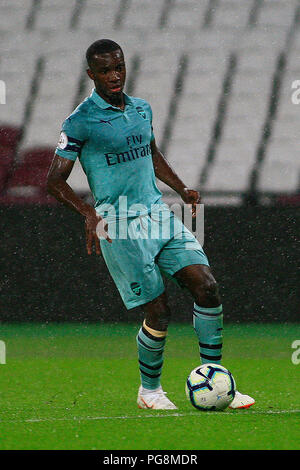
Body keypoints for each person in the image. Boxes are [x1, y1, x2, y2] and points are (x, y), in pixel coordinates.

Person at [47, 39, 255, 410]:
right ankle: (150, 391)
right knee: (158, 311)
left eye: (119, 67)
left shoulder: (142, 109)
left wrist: (182, 187)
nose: (115, 75)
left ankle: (217, 380)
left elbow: (151, 153)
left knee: (206, 287)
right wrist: (89, 214)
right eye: (106, 70)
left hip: (159, 214)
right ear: (90, 74)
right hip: (119, 223)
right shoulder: (79, 122)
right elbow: (54, 180)